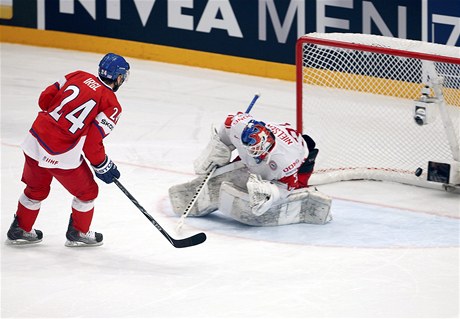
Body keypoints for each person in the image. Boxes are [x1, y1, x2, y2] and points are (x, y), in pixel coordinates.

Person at [6, 53, 130, 246]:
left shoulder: (77, 75)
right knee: (87, 192)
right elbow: (91, 144)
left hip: (35, 139)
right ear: (120, 77)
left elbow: (44, 100)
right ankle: (79, 233)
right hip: (60, 152)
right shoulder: (112, 105)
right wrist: (102, 165)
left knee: (35, 188)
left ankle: (21, 228)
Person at [169, 111, 332, 226]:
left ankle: (306, 196)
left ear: (268, 144)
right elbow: (225, 131)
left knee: (269, 199)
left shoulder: (286, 159)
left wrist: (271, 193)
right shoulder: (240, 127)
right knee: (243, 170)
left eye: (258, 150)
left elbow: (286, 186)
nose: (256, 153)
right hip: (257, 159)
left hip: (300, 167)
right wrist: (217, 150)